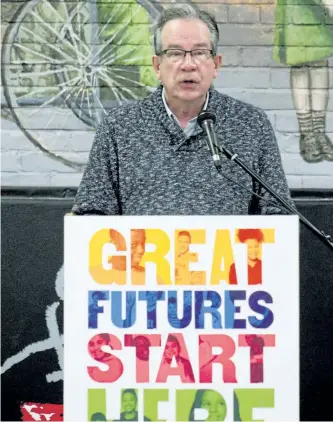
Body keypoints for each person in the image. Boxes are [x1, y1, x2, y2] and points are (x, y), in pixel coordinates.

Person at [72, 5, 293, 217]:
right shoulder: (119, 127)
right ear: (157, 66)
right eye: (175, 53)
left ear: (216, 64)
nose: (188, 64)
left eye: (199, 52)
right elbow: (92, 212)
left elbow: (279, 214)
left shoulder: (251, 124)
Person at [273, 0, 333, 163]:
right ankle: (307, 133)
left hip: (319, 10)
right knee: (299, 65)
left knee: (320, 62)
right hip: (296, 8)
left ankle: (319, 131)